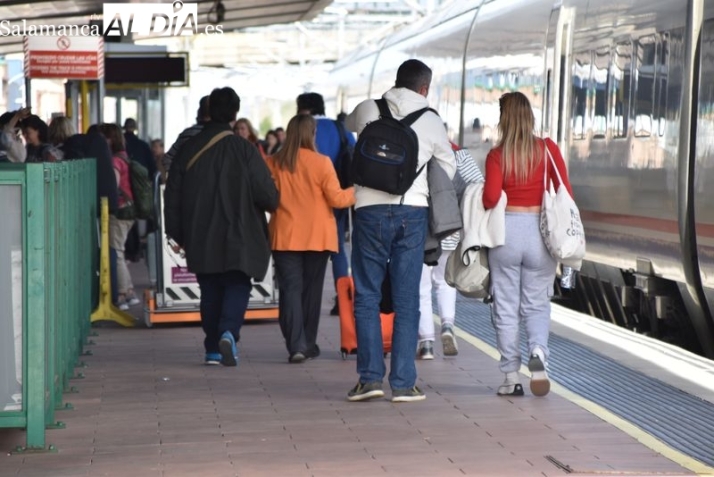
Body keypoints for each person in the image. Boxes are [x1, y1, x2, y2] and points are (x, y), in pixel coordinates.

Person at [344, 59, 456, 402]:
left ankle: (370, 379)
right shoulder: (431, 120)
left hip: (368, 210)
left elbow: (350, 126)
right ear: (424, 88)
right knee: (408, 298)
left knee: (367, 295)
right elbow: (448, 169)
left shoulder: (368, 108)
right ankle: (404, 383)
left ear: (396, 82)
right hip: (412, 212)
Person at [164, 87, 279, 367]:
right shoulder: (245, 150)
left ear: (207, 111)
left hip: (200, 232)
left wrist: (177, 232)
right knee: (237, 283)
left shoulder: (189, 148)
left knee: (210, 288)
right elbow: (268, 196)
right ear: (234, 114)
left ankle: (213, 348)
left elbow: (173, 195)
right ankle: (229, 332)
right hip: (240, 232)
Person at [482, 91, 573, 397]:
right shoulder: (547, 149)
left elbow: (491, 198)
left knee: (506, 308)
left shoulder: (497, 155)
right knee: (536, 303)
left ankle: (510, 377)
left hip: (506, 234)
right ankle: (539, 354)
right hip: (540, 235)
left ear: (503, 119)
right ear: (530, 116)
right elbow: (564, 191)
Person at [266, 114, 355, 363]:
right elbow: (337, 199)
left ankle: (296, 344)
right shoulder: (322, 162)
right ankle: (308, 343)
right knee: (311, 291)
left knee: (290, 290)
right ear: (312, 133)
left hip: (285, 235)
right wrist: (358, 191)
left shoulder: (274, 162)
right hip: (318, 237)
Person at [417, 145, 484, 360]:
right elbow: (479, 187)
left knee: (422, 289)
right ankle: (447, 325)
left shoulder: (418, 153)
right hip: (450, 229)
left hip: (423, 233)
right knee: (445, 283)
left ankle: (426, 343)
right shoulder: (458, 155)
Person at [296, 92, 356, 316]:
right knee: (338, 247)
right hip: (337, 196)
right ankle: (343, 299)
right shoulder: (340, 129)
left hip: (303, 200)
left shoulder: (300, 129)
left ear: (303, 109)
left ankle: (302, 300)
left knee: (303, 250)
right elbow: (354, 154)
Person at [99, 123, 140, 311]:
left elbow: (113, 187)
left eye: (104, 138)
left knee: (117, 252)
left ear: (111, 139)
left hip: (121, 211)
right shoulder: (124, 156)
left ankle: (124, 292)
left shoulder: (115, 160)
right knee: (119, 250)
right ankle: (128, 291)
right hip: (130, 210)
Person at [163, 96, 210, 174]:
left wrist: (179, 177)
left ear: (199, 111)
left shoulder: (188, 133)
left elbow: (167, 158)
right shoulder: (223, 135)